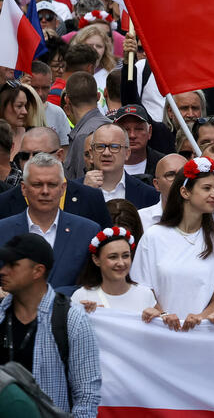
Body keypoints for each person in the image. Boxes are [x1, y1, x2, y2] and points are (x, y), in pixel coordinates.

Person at [0, 234, 101, 418]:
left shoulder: (72, 319)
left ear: (37, 271)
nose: (3, 271)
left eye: (12, 265)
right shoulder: (1, 315)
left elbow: (87, 396)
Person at [131, 157, 214, 331]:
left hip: (206, 334)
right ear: (185, 192)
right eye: (206, 188)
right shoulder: (153, 236)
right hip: (161, 333)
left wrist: (199, 320)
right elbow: (142, 289)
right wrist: (164, 316)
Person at [0, 153, 100, 290]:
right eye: (37, 184)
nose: (45, 191)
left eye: (52, 185)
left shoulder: (88, 231)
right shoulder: (3, 230)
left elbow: (96, 285)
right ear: (23, 188)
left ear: (63, 188)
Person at [0, 128, 110, 227]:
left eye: (39, 156)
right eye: (24, 156)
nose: (30, 162)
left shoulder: (91, 198)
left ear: (59, 156)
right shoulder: (4, 202)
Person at [71, 226, 157, 316]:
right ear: (96, 259)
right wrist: (85, 315)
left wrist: (160, 318)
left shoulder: (145, 295)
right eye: (113, 257)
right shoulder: (82, 296)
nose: (121, 263)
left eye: (125, 256)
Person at [79, 124, 159, 208]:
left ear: (127, 153)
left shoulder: (149, 194)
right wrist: (84, 192)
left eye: (114, 147)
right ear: (91, 154)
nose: (106, 153)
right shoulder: (71, 191)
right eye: (100, 147)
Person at [63, 72, 110, 181]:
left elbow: (82, 185)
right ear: (98, 96)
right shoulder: (111, 126)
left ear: (67, 100)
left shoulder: (84, 136)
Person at [137, 153, 186, 232]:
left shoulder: (205, 217)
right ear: (157, 184)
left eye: (183, 175)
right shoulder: (140, 219)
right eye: (171, 175)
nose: (178, 180)